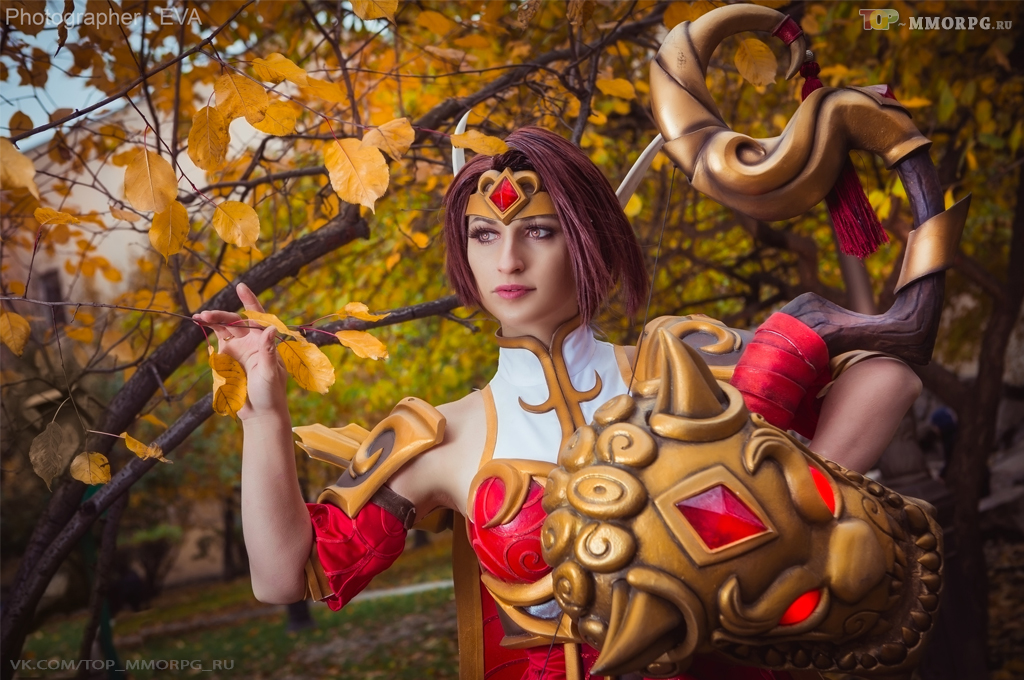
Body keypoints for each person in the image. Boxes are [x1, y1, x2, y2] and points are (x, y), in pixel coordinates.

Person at [192, 127, 922, 680]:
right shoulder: (442, 437)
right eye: (484, 235)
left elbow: (888, 374)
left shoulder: (683, 366)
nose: (507, 261)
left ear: (589, 241)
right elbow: (284, 576)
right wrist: (266, 411)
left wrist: (785, 498)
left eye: (538, 231)